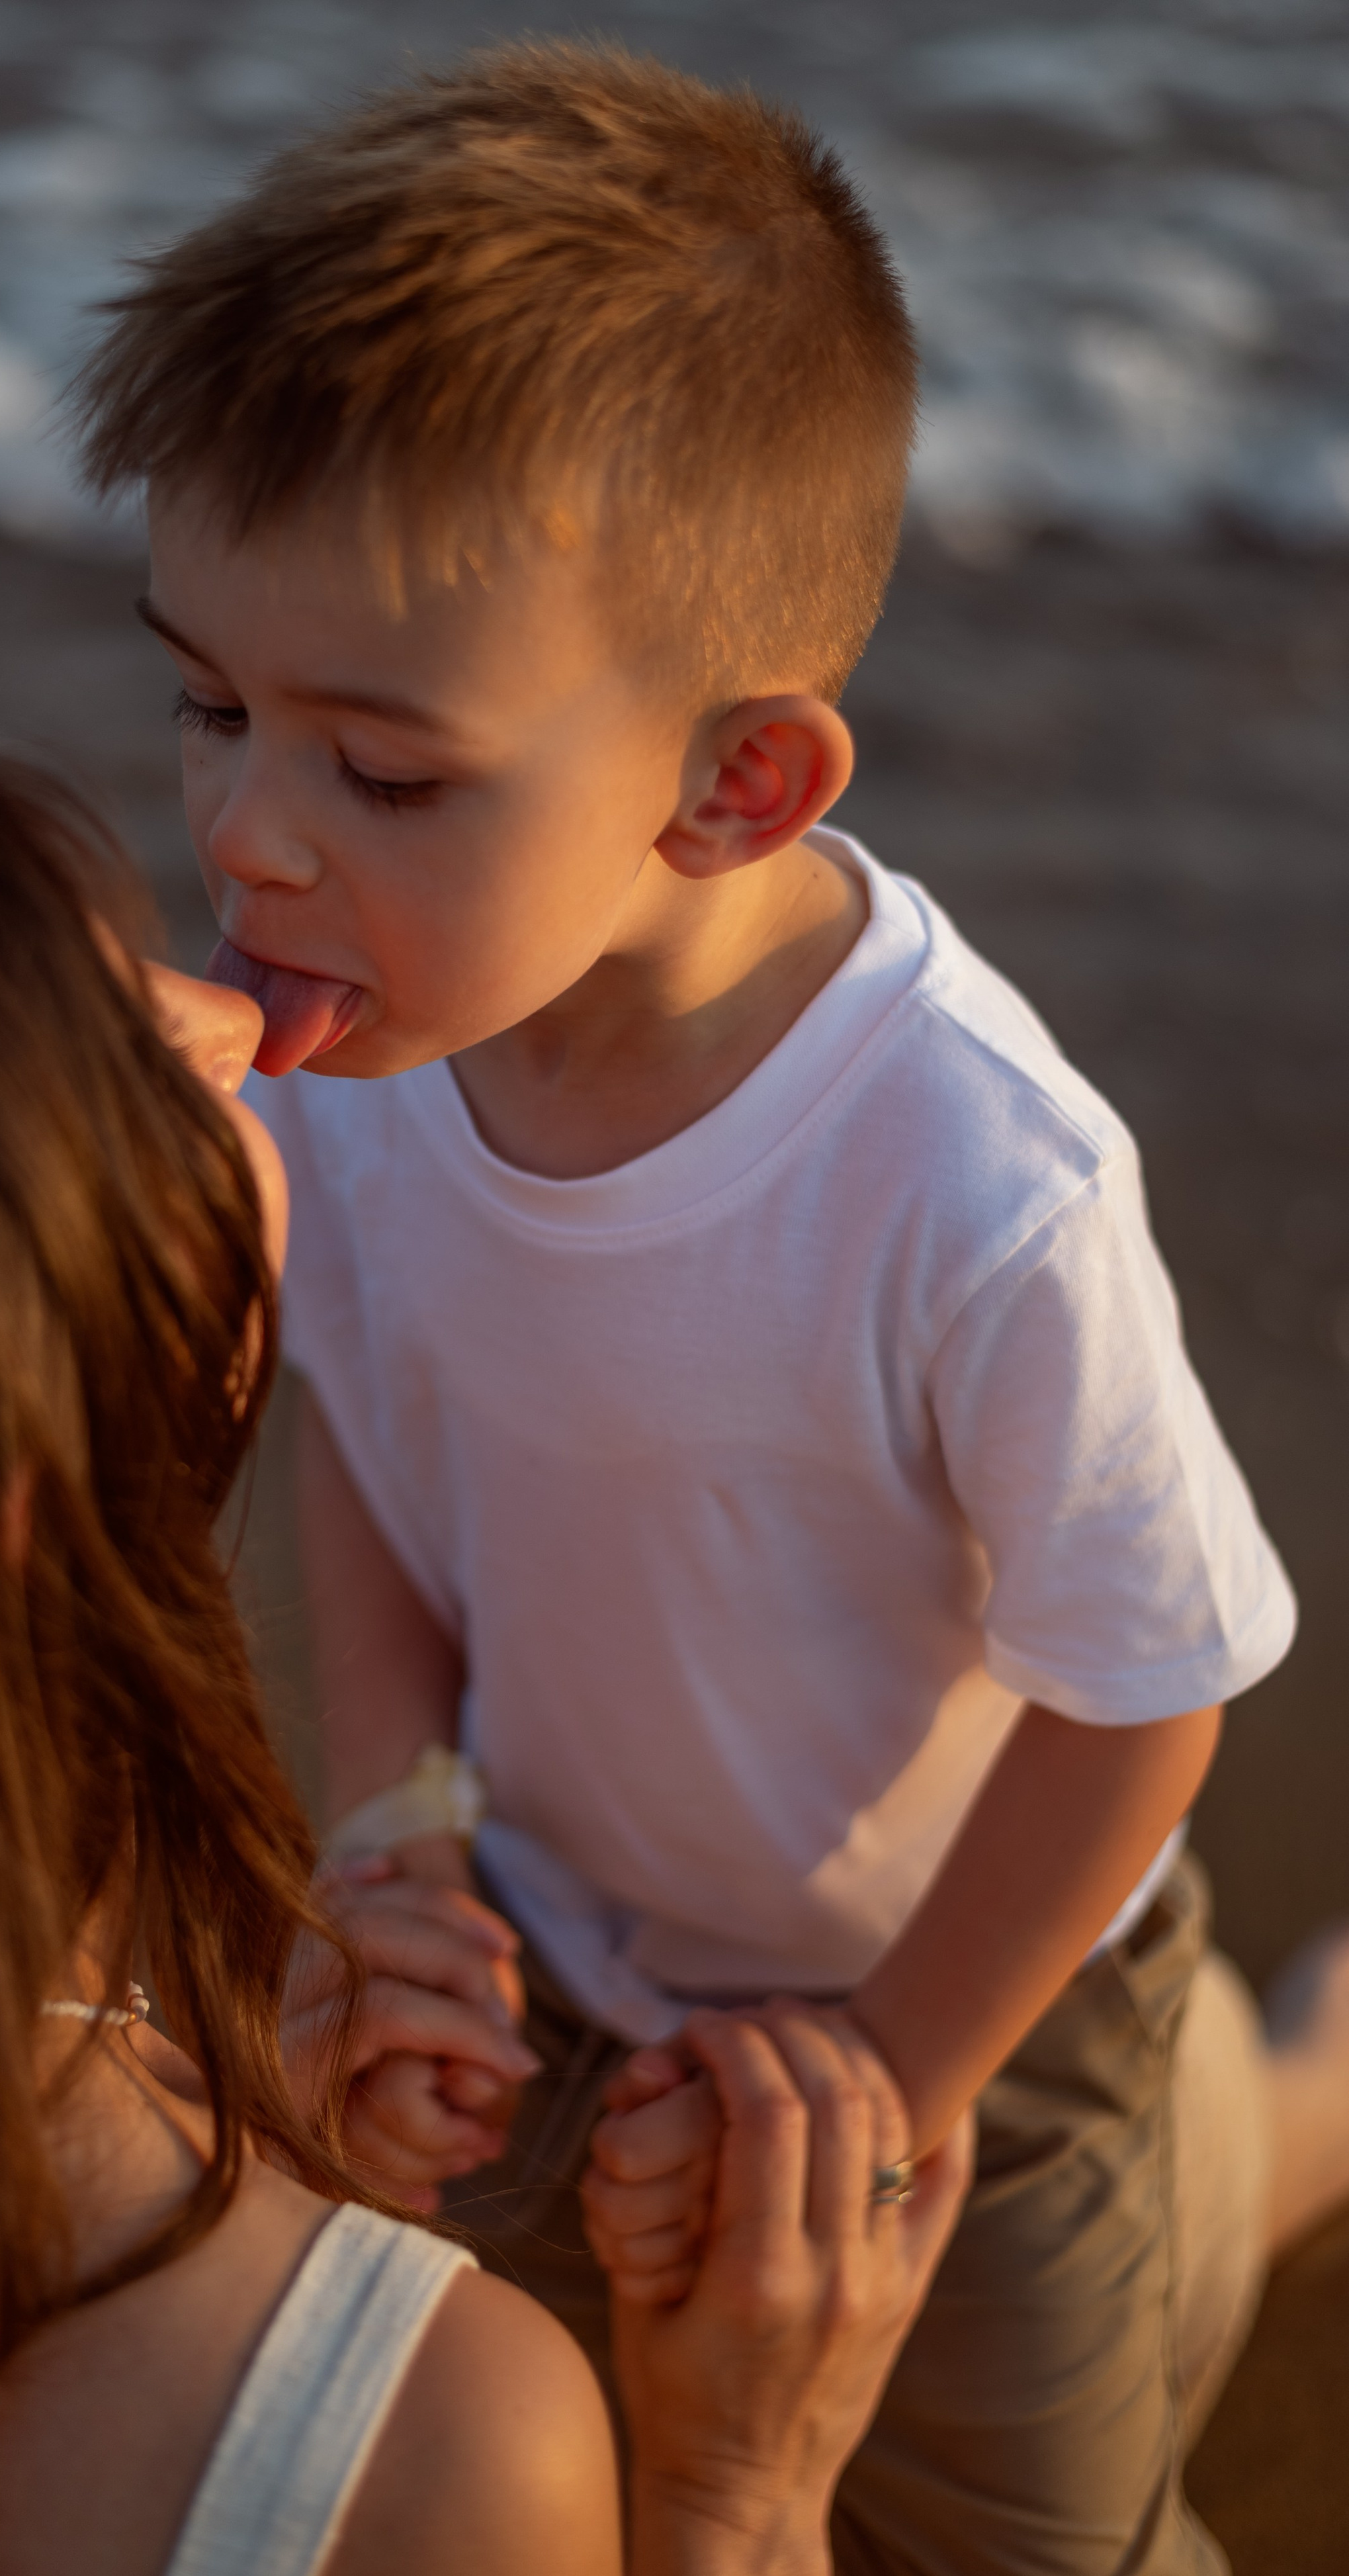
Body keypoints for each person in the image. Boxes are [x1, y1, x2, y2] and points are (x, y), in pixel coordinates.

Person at [75, 42, 1304, 2573]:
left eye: (382, 772)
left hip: (969, 1980)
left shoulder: (971, 1181)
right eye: (210, 702)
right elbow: (386, 1448)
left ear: (736, 785)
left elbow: (1148, 1681)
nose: (245, 832)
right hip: (550, 1921)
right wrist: (403, 1829)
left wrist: (895, 2063)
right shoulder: (361, 1035)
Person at [0, 739, 973, 2576]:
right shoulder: (421, 2455)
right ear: (13, 1475)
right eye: (118, 1045)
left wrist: (189, 2075)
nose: (221, 1001)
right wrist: (744, 2492)